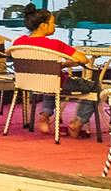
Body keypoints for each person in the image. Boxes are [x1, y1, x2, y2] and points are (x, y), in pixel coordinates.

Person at [12, 9, 100, 138]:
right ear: (43, 25)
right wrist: (68, 63)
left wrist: (61, 65)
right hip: (57, 83)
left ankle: (45, 115)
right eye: (52, 22)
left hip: (26, 82)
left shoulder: (18, 42)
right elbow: (84, 59)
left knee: (50, 81)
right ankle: (78, 123)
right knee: (95, 87)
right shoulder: (55, 44)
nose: (55, 25)